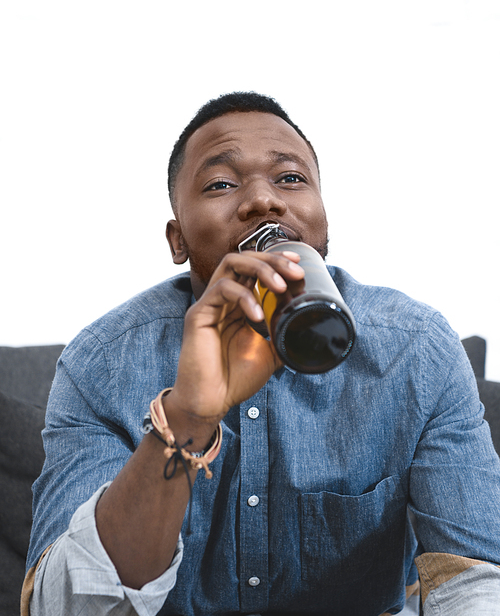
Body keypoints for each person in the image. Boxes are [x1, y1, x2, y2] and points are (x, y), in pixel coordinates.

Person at [24, 92, 500, 616]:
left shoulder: (417, 349)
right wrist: (187, 417)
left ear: (323, 222)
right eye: (221, 184)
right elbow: (62, 606)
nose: (263, 201)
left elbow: (473, 582)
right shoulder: (99, 363)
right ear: (177, 239)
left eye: (290, 179)